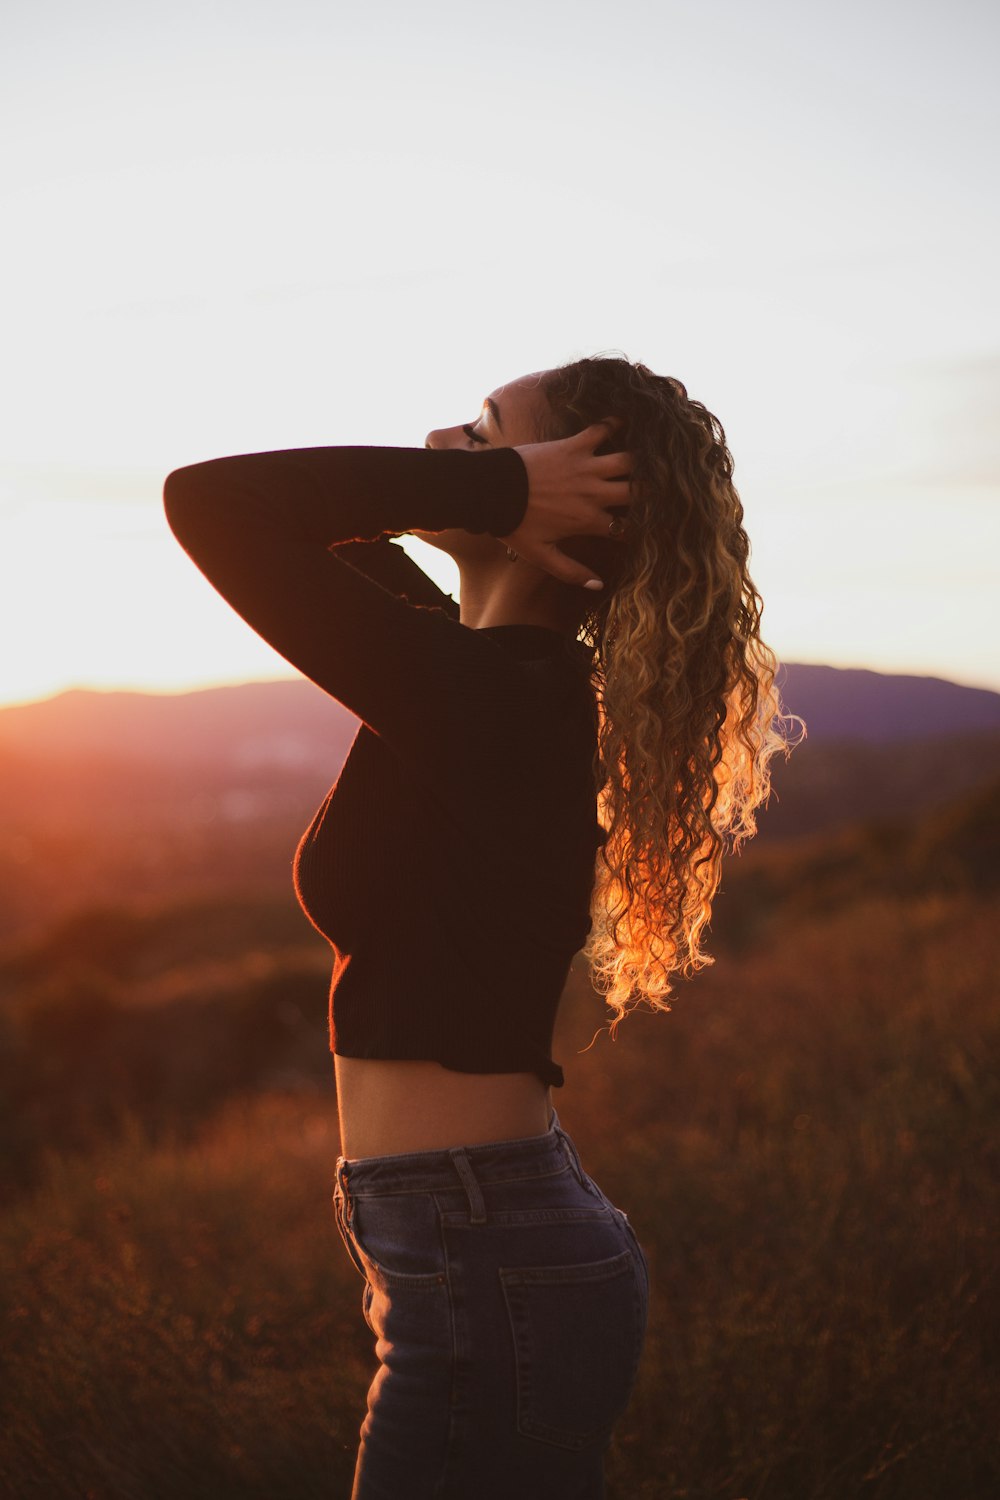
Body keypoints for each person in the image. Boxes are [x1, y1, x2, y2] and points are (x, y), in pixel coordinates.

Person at [162, 353, 799, 1498]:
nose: (445, 444)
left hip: (482, 1248)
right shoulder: (470, 667)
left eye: (491, 432)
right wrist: (495, 485)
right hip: (466, 1241)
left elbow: (209, 503)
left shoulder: (503, 698)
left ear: (562, 501)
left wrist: (494, 490)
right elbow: (311, 524)